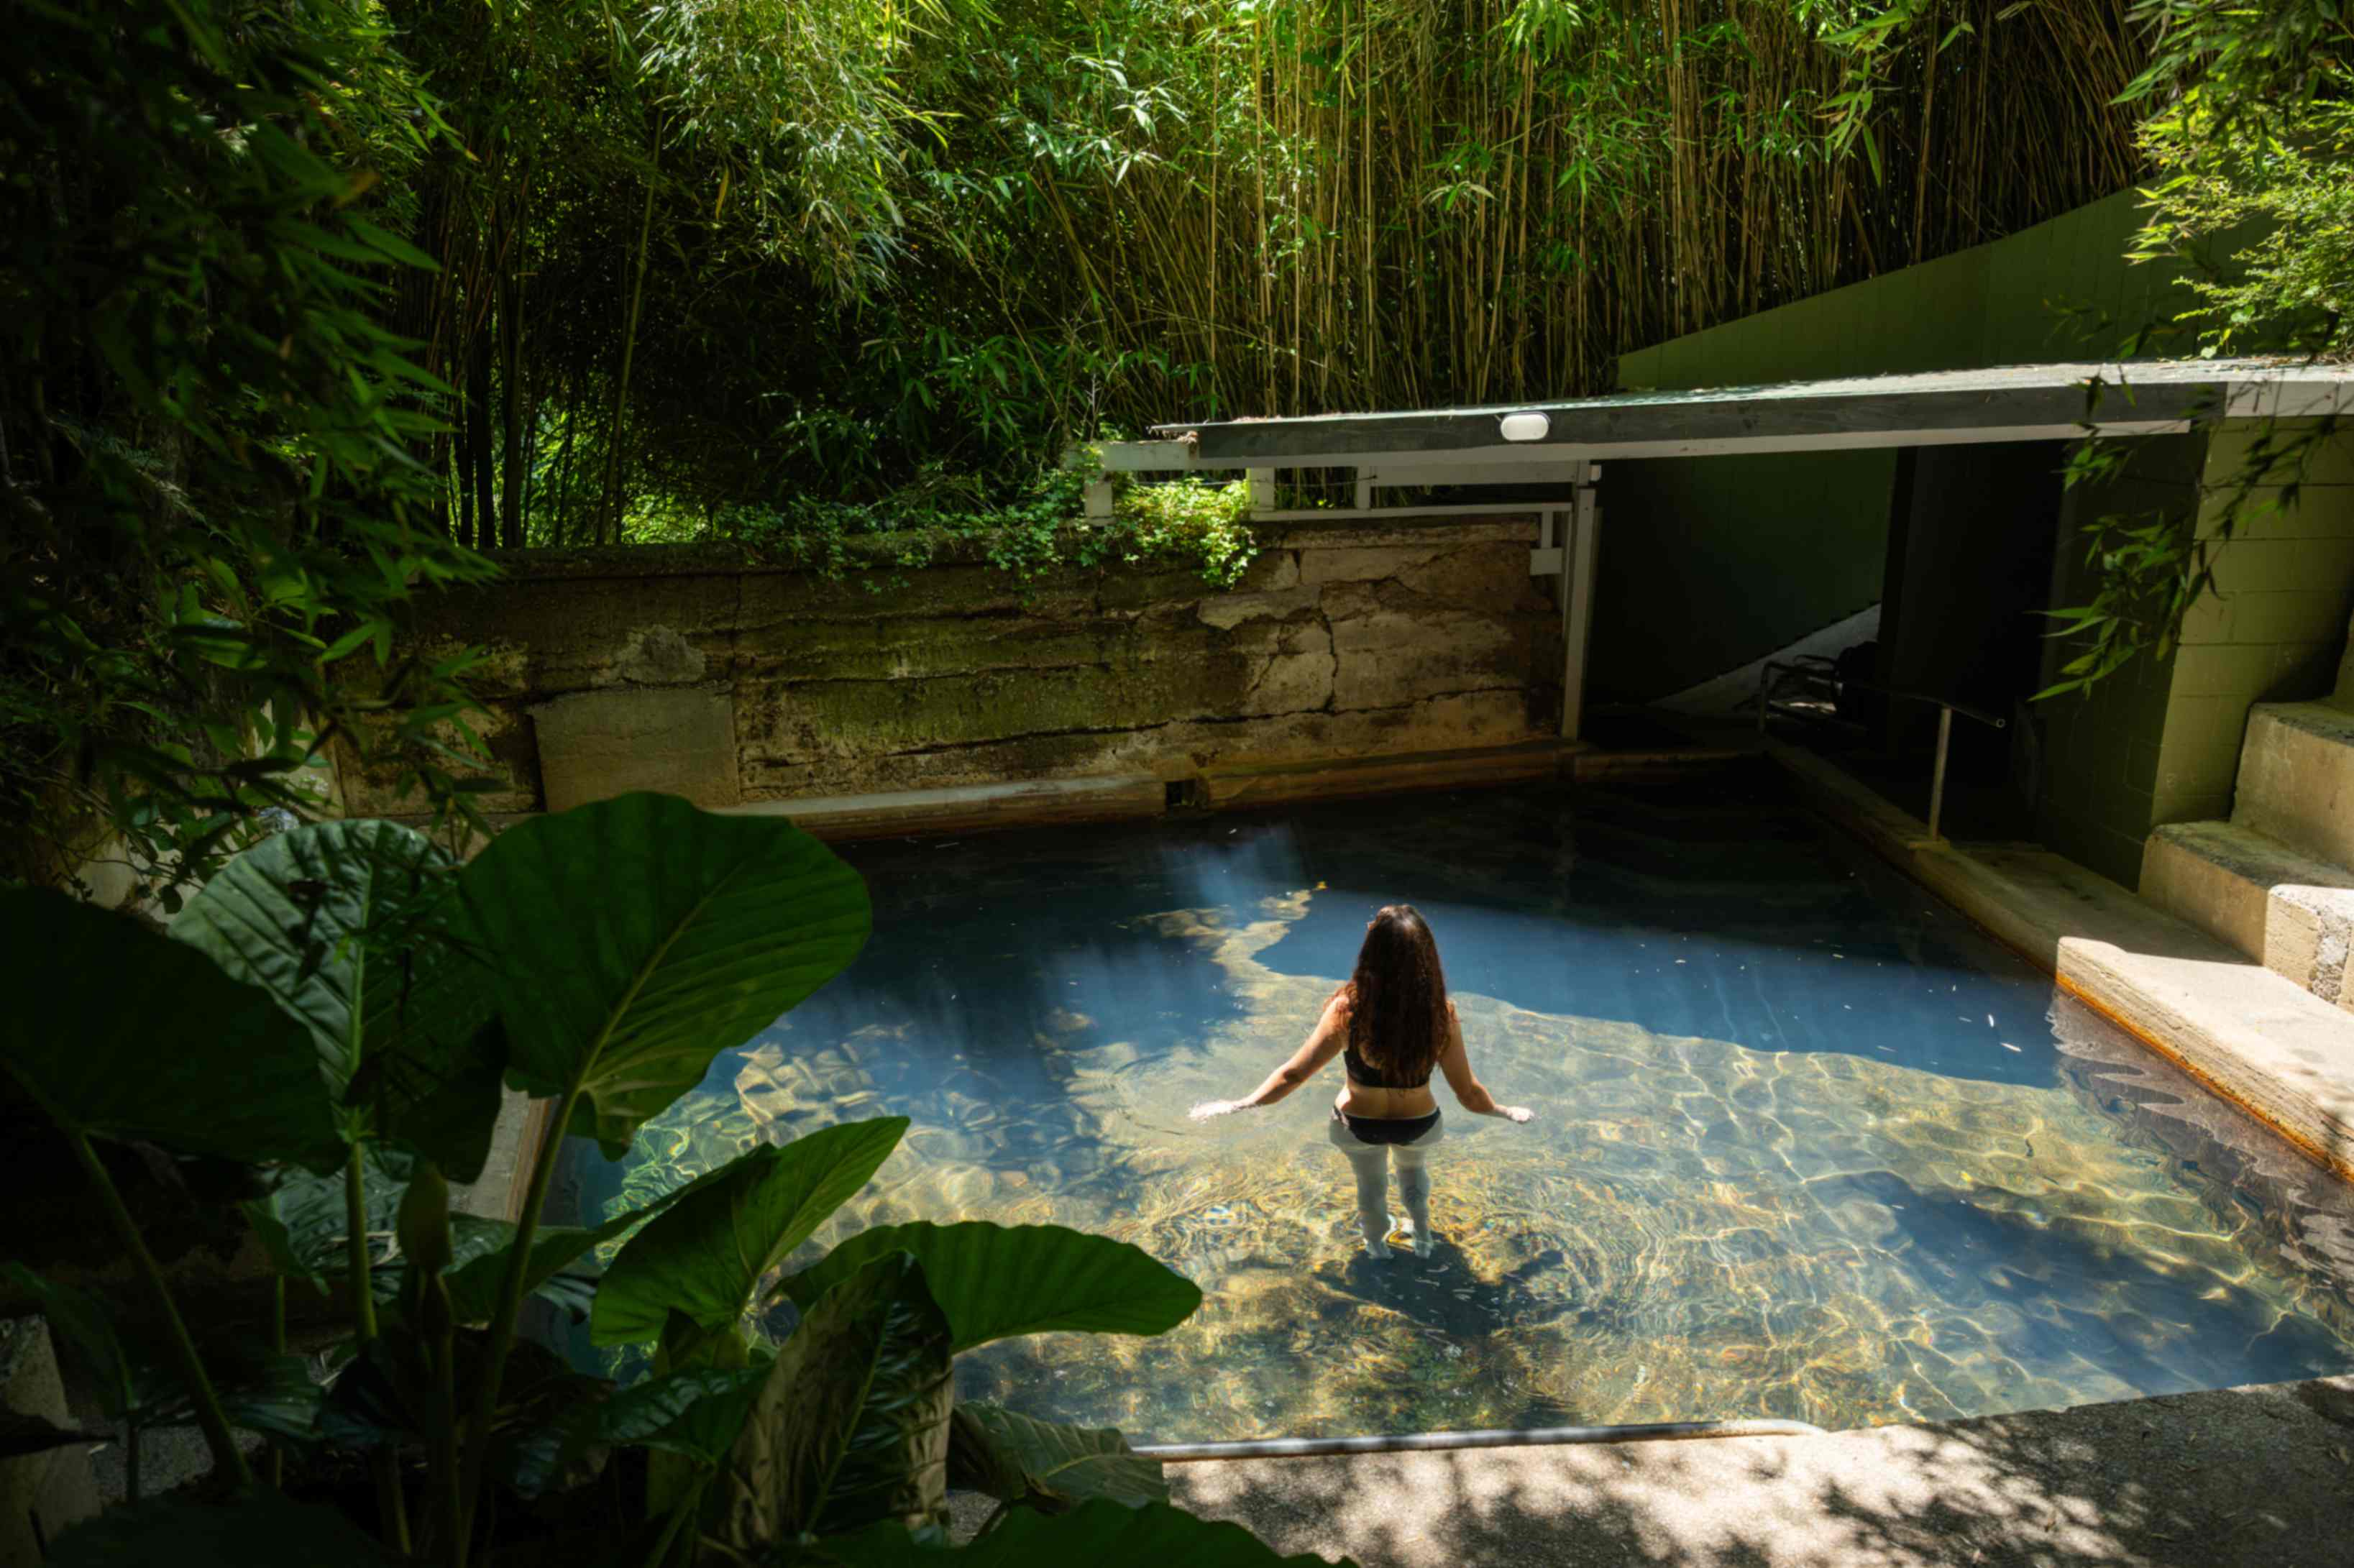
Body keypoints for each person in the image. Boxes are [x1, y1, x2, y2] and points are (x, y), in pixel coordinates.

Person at [1190, 904, 1533, 1257]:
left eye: (1373, 926)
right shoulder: (1440, 1014)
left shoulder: (1348, 1010)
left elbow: (1294, 1074)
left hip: (1357, 1125)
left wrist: (1241, 1104)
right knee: (1413, 1173)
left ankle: (1376, 1249)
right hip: (1419, 1124)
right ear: (1426, 955)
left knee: (1370, 1186)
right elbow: (1468, 1092)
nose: (1367, 924)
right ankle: (1424, 1241)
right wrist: (1503, 1112)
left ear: (1374, 952)